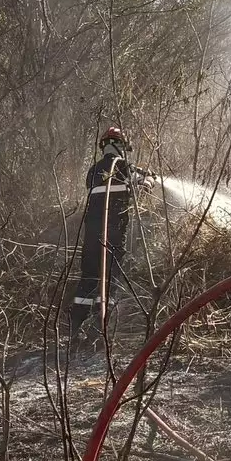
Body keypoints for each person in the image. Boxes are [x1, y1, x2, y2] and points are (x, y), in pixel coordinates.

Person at [70, 127, 141, 346]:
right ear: (121, 146)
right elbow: (140, 186)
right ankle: (99, 333)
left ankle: (75, 331)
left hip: (92, 237)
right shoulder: (124, 167)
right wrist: (147, 180)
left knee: (88, 279)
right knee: (110, 281)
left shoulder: (93, 171)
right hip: (114, 237)